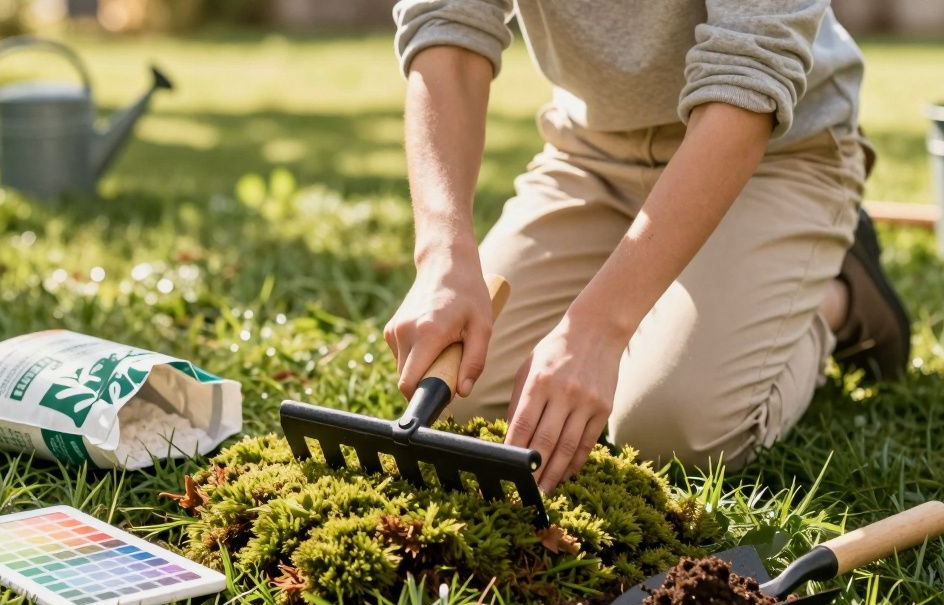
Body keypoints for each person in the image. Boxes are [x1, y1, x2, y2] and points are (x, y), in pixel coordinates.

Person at [382, 0, 911, 493]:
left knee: (670, 429)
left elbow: (750, 71)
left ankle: (834, 296)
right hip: (594, 155)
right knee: (459, 395)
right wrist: (442, 255)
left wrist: (596, 328)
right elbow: (446, 23)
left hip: (774, 153)